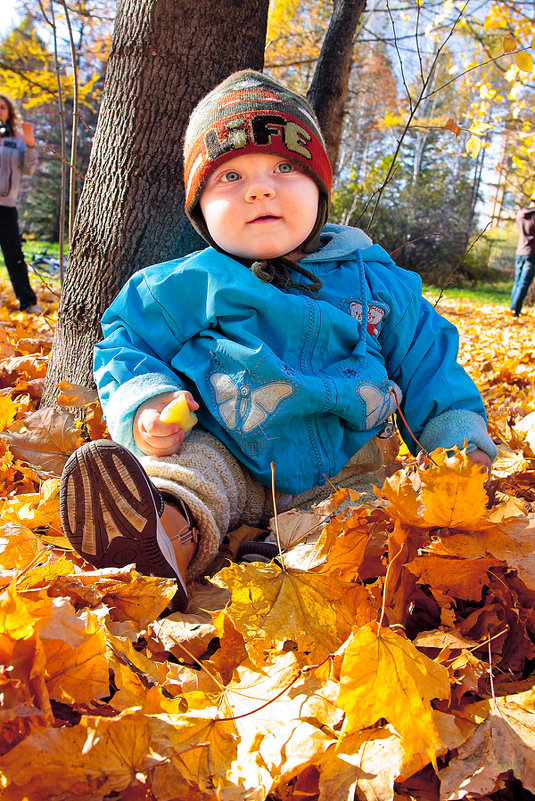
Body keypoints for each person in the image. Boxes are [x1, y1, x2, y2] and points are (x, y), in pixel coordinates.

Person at [59, 71, 498, 612]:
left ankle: (310, 562)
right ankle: (161, 536)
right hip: (226, 446)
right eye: (231, 177)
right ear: (200, 210)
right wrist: (147, 400)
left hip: (343, 465)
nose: (259, 188)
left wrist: (456, 445)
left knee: (363, 521)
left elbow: (430, 367)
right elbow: (127, 342)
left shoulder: (378, 283)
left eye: (286, 168)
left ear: (320, 188)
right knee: (186, 475)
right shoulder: (186, 284)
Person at [0, 94, 42, 314]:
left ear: (9, 112)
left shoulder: (18, 139)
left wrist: (31, 144)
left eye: (2, 107)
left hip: (6, 206)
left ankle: (28, 302)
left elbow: (29, 169)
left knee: (14, 255)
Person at [510, 192, 535, 317]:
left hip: (520, 251)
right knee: (524, 282)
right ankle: (516, 311)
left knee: (517, 281)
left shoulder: (520, 214)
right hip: (532, 252)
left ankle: (513, 307)